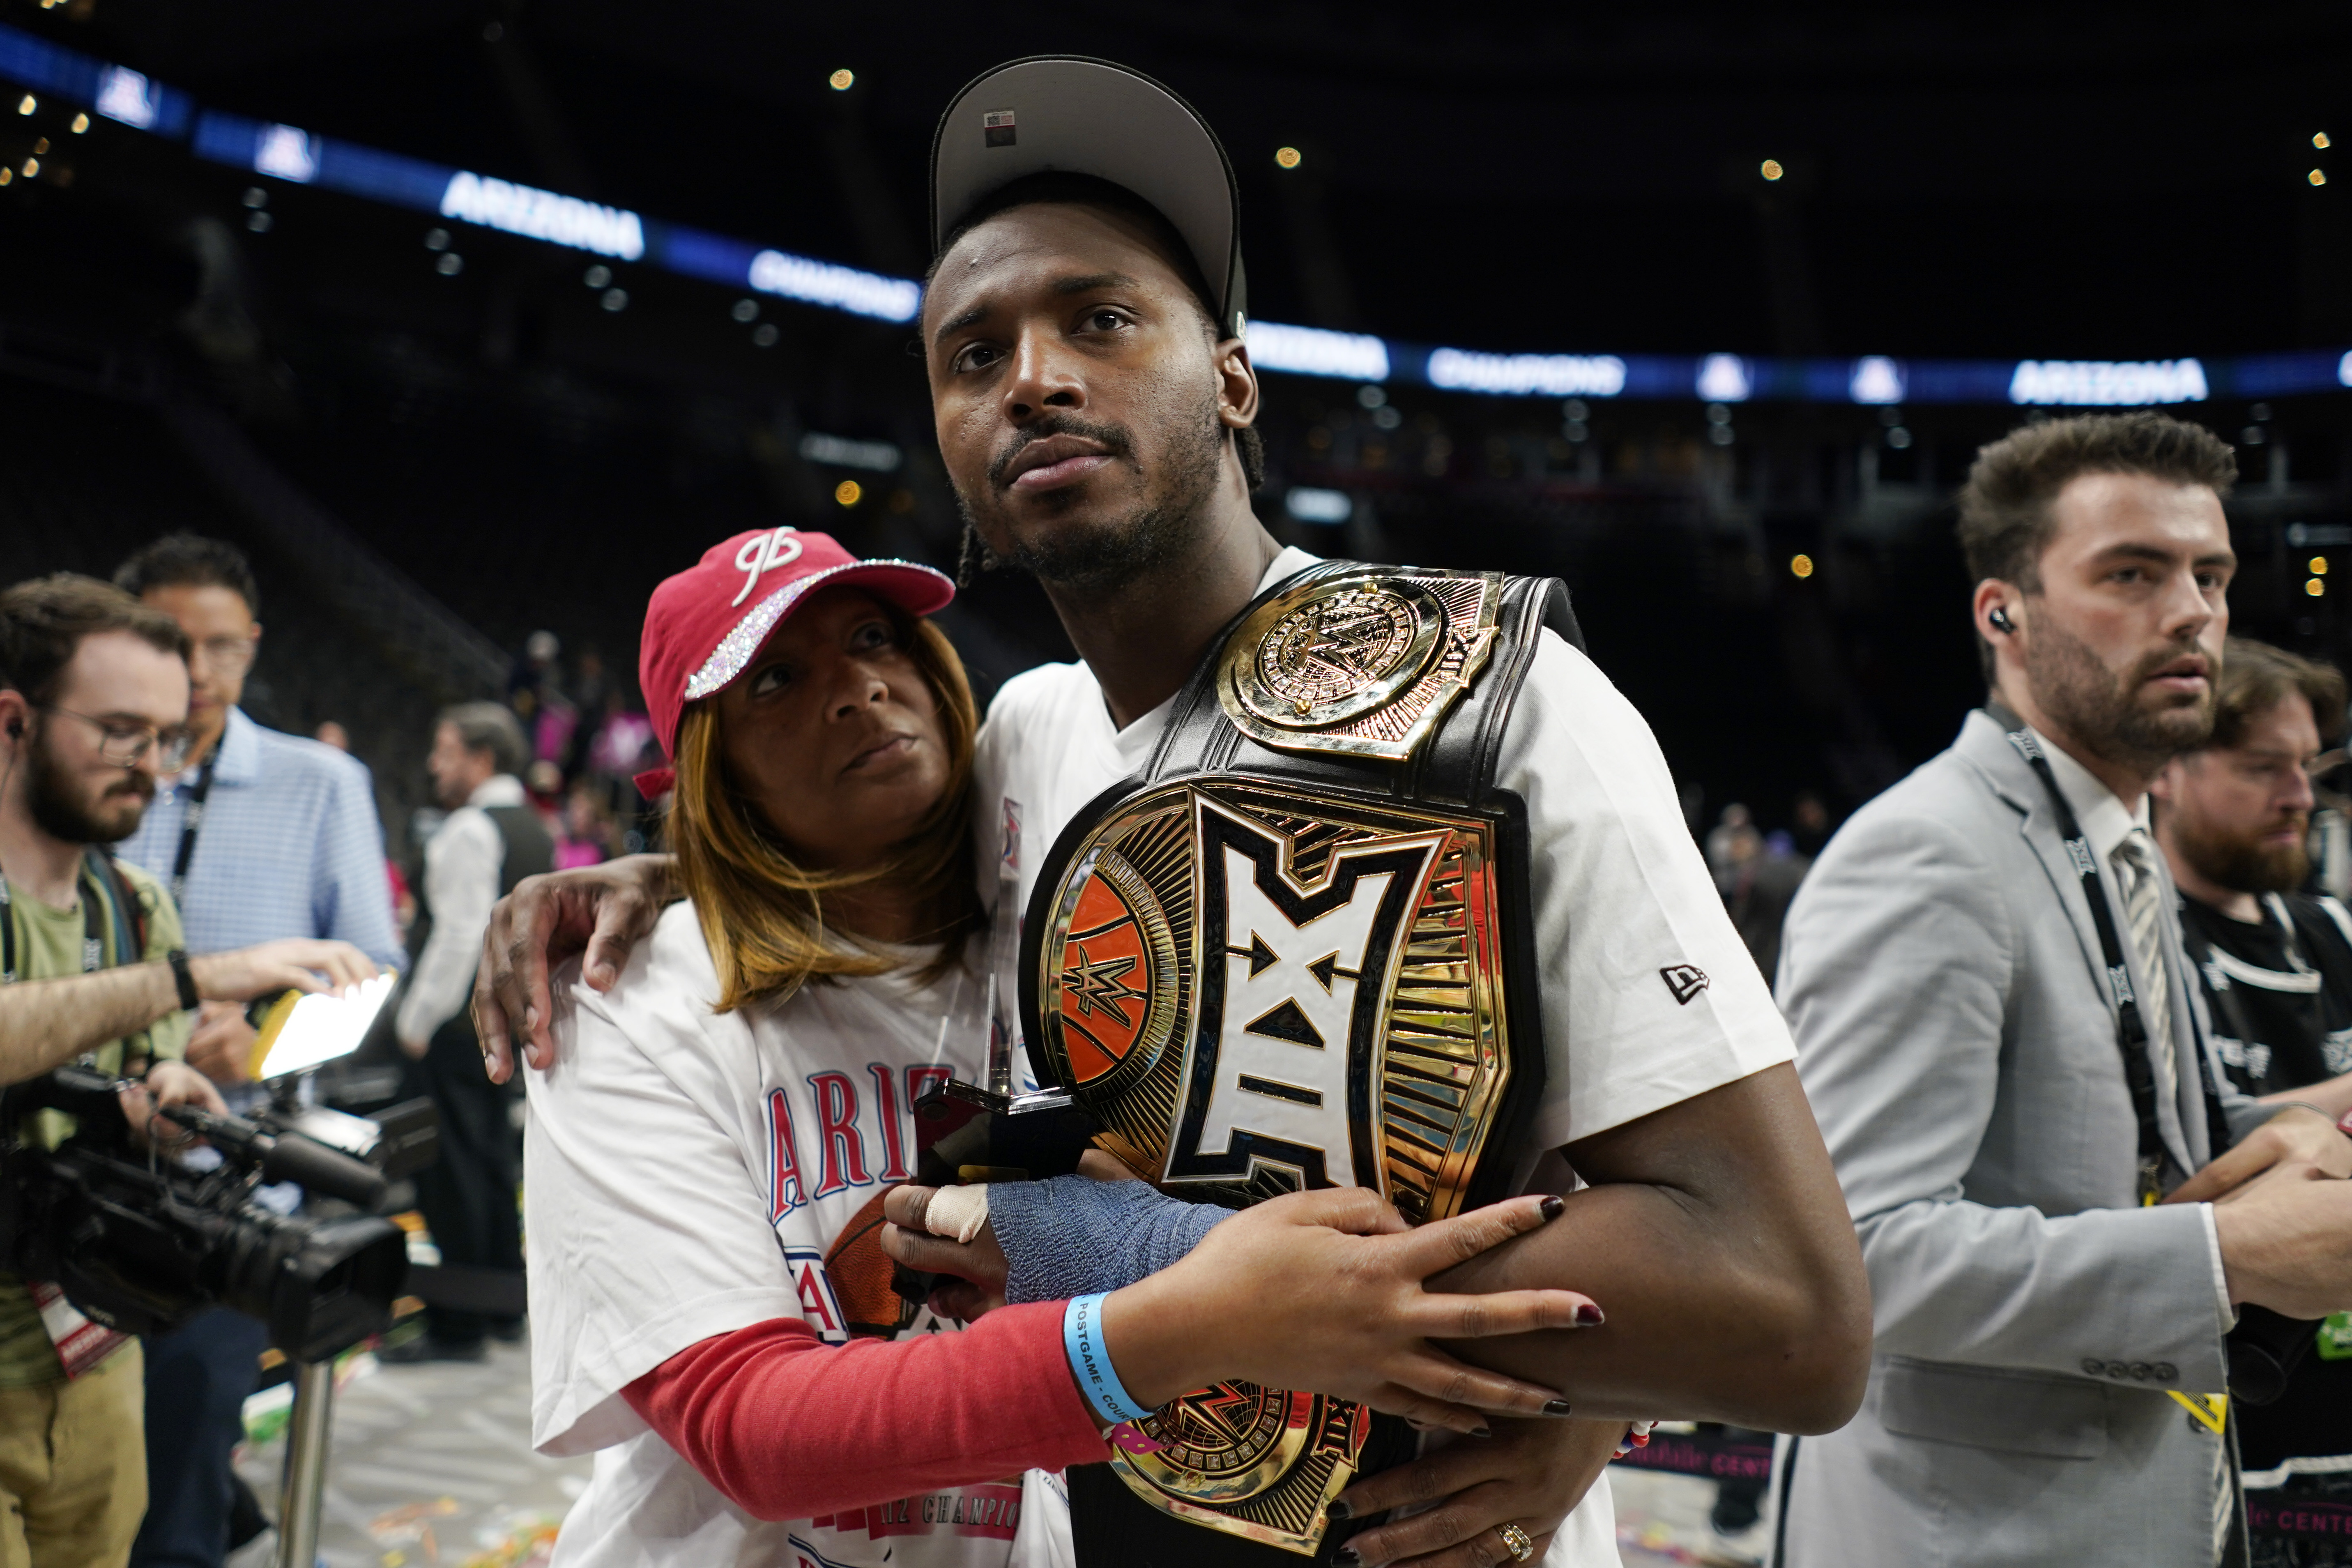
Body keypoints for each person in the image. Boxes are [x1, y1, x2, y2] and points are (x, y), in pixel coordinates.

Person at [478, 55, 1870, 1568]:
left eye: (1100, 319)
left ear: (1231, 376)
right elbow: (826, 840)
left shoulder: (1500, 702)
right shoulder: (1027, 740)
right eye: (973, 354)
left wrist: (1579, 1385)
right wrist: (658, 870)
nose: (1032, 378)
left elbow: (1786, 1314)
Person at [522, 528, 1602, 1568]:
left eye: (873, 638)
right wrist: (1188, 1322)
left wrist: (1594, 1409)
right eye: (775, 681)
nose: (855, 689)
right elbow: (748, 1428)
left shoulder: (1056, 900)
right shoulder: (624, 999)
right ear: (706, 770)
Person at [1775, 412, 2352, 1568]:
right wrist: (2226, 1258)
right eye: (2131, 573)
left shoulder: (2108, 835)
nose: (2191, 612)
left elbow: (2121, 1138)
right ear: (2003, 613)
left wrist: (2289, 1127)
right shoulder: (1928, 853)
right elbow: (1852, 1259)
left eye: (2209, 576)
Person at [0, 574, 375, 1568]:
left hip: (91, 1352)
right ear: (14, 723)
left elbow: (133, 1078)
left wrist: (159, 1104)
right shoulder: (161, 949)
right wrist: (195, 977)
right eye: (122, 733)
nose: (153, 770)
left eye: (167, 739)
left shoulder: (132, 905)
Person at [110, 533, 405, 1568]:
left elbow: (374, 971)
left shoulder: (318, 783)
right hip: (80, 1160)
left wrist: (263, 1041)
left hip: (225, 1188)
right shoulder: (79, 774)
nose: (196, 671)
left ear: (254, 647)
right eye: (169, 643)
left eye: (221, 647)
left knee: (179, 1475)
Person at [2151, 636, 2352, 1566]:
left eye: (2307, 767)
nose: (2300, 795)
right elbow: (2178, 1153)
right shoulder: (2143, 944)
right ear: (2167, 768)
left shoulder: (2331, 930)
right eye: (2263, 767)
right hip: (2221, 1433)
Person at [388, 703, 550, 1362]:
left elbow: (461, 935)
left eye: (446, 751)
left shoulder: (470, 827)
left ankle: (457, 1324)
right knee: (489, 1165)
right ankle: (502, 1308)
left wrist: (414, 1022)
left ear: (481, 759)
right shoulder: (532, 826)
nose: (435, 764)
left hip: (457, 1026)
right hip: (502, 1022)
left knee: (449, 1173)